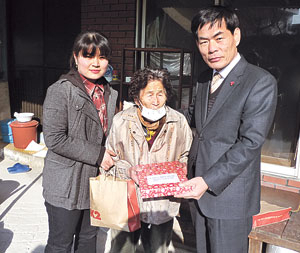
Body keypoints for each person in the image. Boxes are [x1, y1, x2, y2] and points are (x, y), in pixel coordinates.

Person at [175, 6, 277, 253]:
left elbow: (250, 143)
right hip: (198, 194)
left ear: (237, 36)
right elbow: (195, 126)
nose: (211, 49)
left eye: (219, 38)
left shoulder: (259, 82)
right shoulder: (203, 79)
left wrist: (207, 181)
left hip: (230, 198)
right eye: (203, 42)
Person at [42, 31, 118, 252]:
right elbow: (54, 139)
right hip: (66, 183)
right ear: (76, 57)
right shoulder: (61, 90)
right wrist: (99, 154)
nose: (96, 63)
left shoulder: (109, 92)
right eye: (88, 56)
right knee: (60, 244)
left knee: (89, 240)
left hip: (96, 183)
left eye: (102, 57)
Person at [103, 67, 193, 253]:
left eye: (160, 93)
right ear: (137, 98)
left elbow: (187, 155)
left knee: (158, 249)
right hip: (128, 201)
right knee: (123, 249)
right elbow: (108, 161)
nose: (156, 100)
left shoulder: (178, 122)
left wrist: (183, 167)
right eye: (149, 94)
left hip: (162, 203)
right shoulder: (121, 121)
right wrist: (127, 171)